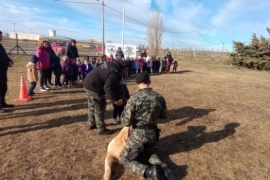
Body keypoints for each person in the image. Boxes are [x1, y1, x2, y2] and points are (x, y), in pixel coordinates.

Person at [120, 72, 171, 179]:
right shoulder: (159, 97)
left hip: (137, 135)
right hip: (152, 133)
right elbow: (164, 116)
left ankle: (150, 172)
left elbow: (126, 121)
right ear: (149, 82)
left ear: (137, 83)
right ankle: (164, 169)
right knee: (150, 152)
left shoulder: (133, 99)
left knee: (125, 159)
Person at [82, 60, 129, 135]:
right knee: (100, 106)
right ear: (124, 68)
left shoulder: (112, 64)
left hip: (87, 82)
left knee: (91, 105)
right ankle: (101, 129)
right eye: (127, 70)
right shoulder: (115, 73)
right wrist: (115, 100)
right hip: (94, 86)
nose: (127, 73)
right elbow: (108, 87)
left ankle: (92, 123)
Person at [0, 31, 14, 112]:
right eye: (1, 36)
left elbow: (5, 56)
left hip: (3, 70)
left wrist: (10, 61)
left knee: (3, 87)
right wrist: (6, 62)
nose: (2, 37)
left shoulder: (0, 45)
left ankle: (2, 102)